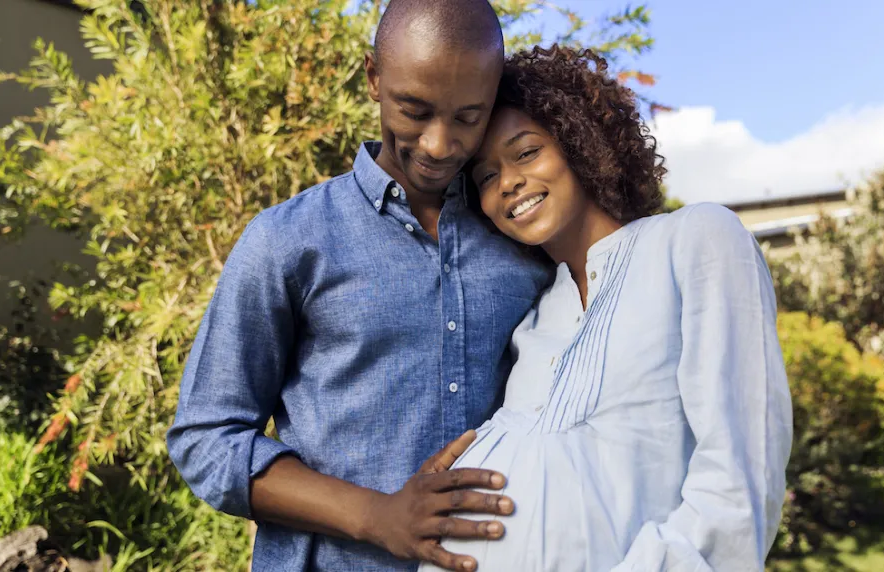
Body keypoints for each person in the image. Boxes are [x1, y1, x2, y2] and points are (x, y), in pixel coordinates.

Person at [166, 1, 553, 570]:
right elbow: (207, 438)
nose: (439, 144)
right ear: (374, 78)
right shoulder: (287, 240)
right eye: (414, 110)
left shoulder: (523, 240)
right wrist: (377, 516)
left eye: (468, 117)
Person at [420, 46, 793, 571]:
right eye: (484, 176)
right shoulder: (534, 317)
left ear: (579, 142)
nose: (507, 183)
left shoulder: (694, 240)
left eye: (526, 152)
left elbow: (738, 483)